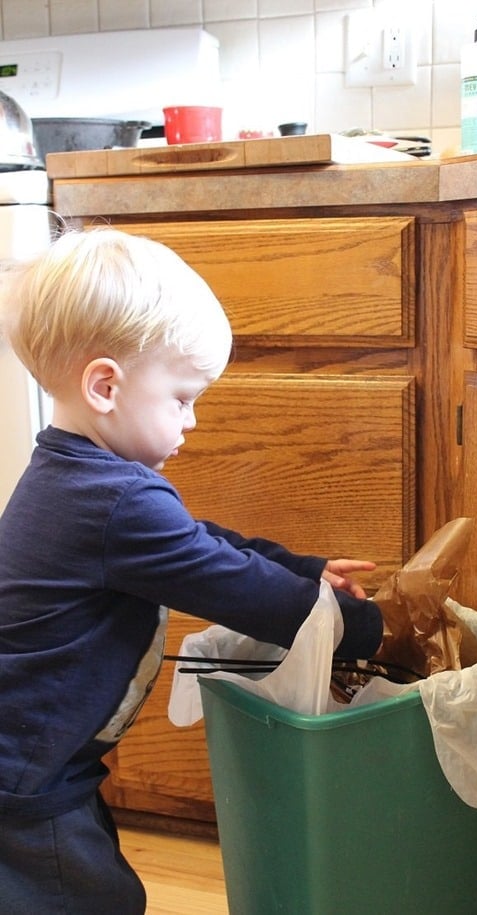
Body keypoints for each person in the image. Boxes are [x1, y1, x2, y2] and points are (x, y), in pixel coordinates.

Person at [0, 227, 383, 914]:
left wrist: (306, 568)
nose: (194, 419)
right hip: (22, 780)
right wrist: (361, 625)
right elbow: (240, 590)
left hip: (33, 764)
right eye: (181, 396)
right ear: (106, 385)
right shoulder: (117, 500)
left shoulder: (74, 477)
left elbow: (203, 544)